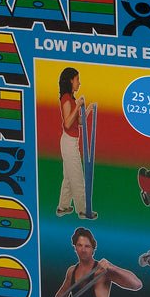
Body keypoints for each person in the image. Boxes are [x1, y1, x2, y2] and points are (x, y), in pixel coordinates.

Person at [51, 227, 142, 297]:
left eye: (87, 246)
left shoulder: (103, 271)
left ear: (93, 249)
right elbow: (62, 294)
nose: (83, 250)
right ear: (75, 247)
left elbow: (137, 284)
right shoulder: (71, 270)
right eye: (79, 245)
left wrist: (112, 266)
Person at [56, 67, 94, 219]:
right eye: (77, 79)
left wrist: (88, 109)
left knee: (68, 177)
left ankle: (63, 207)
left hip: (71, 141)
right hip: (69, 143)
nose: (79, 83)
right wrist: (78, 105)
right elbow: (67, 123)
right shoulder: (66, 98)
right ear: (70, 80)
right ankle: (84, 210)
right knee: (77, 177)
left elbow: (79, 122)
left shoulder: (71, 99)